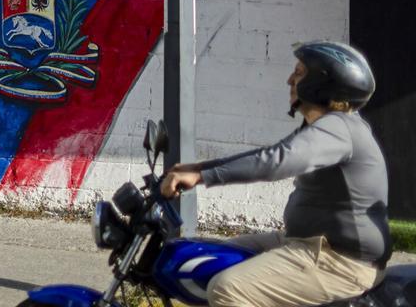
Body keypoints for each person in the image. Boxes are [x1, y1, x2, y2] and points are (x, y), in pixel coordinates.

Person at [160, 42, 388, 307]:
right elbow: (270, 153)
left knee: (227, 288)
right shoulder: (327, 127)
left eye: (299, 72)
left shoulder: (338, 128)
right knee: (206, 258)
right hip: (307, 243)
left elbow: (276, 162)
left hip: (340, 262)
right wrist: (197, 169)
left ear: (320, 82)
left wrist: (203, 177)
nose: (289, 79)